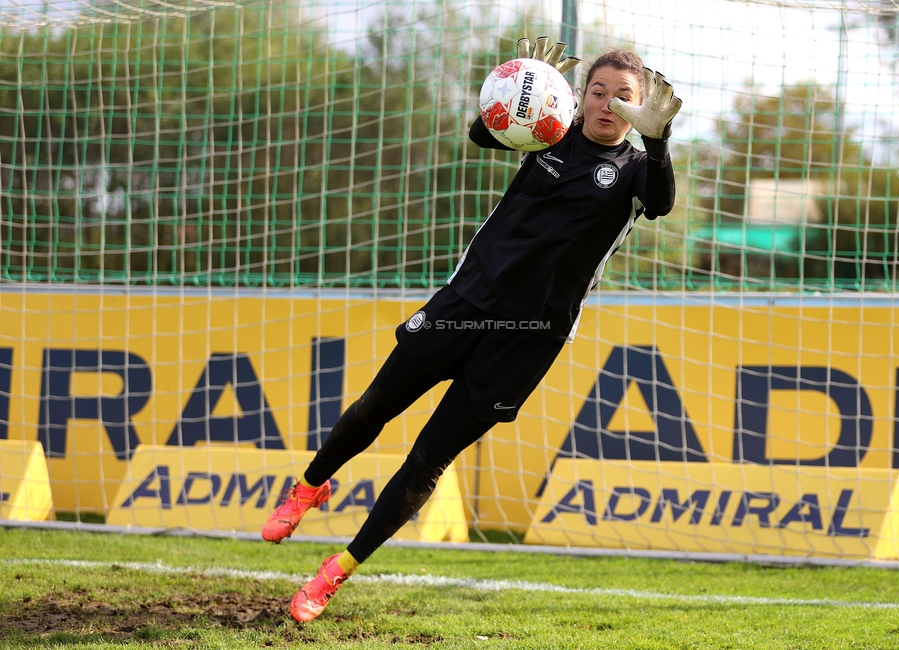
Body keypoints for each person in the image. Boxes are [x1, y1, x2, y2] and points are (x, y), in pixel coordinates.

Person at [261, 35, 682, 623]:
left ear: (643, 108)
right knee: (373, 407)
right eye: (597, 91)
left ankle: (335, 572)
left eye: (626, 97)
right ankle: (309, 487)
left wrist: (659, 142)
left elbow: (661, 203)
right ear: (580, 97)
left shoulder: (639, 169)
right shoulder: (550, 133)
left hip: (530, 335)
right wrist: (522, 87)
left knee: (428, 458)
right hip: (465, 302)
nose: (609, 104)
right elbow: (483, 134)